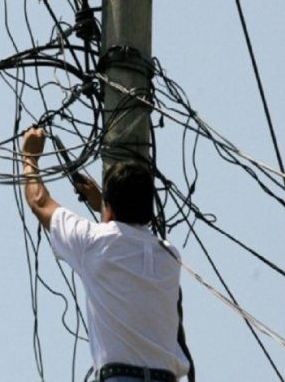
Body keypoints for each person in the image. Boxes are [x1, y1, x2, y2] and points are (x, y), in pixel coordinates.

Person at [21, 127, 192, 382]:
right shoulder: (168, 256)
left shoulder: (91, 242)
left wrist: (29, 157)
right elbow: (124, 242)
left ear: (109, 209)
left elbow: (40, 202)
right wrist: (102, 200)